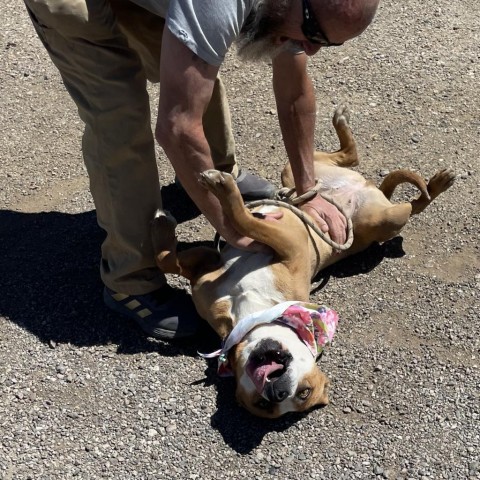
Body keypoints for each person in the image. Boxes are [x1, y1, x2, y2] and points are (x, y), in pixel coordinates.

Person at [23, 0, 379, 340]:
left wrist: (308, 190)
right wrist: (233, 225)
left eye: (327, 44)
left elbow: (293, 93)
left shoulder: (301, 16)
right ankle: (129, 280)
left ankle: (220, 176)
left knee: (194, 68)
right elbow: (177, 126)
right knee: (119, 114)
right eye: (313, 34)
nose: (312, 49)